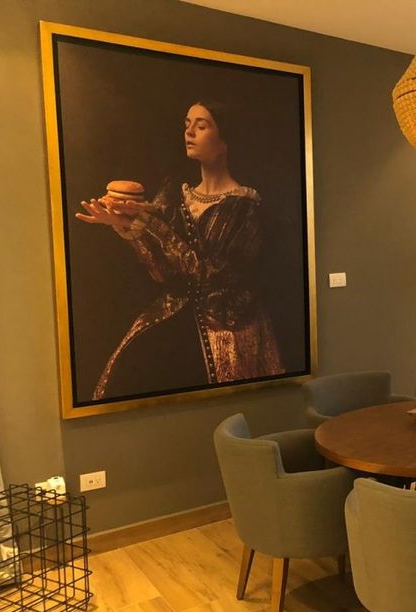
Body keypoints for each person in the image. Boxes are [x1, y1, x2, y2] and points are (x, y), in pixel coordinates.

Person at [77, 100, 283, 400]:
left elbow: (208, 274)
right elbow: (162, 272)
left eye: (202, 126)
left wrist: (148, 224)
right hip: (174, 316)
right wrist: (127, 227)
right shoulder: (174, 197)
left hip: (227, 326)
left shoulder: (243, 206)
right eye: (187, 125)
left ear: (224, 139)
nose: (190, 132)